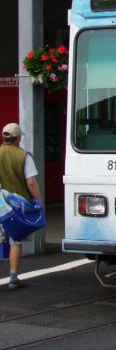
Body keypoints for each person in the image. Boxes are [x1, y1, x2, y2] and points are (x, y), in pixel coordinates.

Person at [0, 122, 42, 290]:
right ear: (17, 138)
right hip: (16, 207)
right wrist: (38, 202)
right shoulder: (24, 156)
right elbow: (31, 182)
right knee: (15, 241)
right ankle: (13, 278)